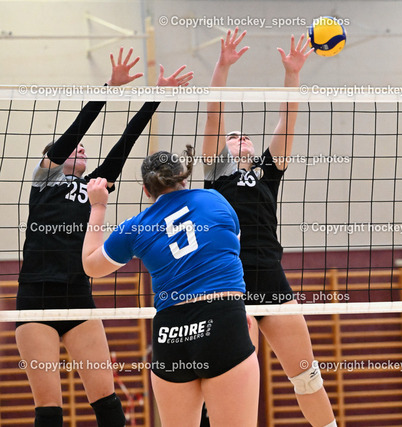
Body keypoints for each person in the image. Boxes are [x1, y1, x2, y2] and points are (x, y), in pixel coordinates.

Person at [15, 47, 193, 427]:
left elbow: (125, 144)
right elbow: (76, 129)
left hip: (78, 297)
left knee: (108, 404)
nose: (79, 148)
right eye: (67, 151)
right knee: (49, 411)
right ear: (51, 160)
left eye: (82, 150)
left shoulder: (95, 186)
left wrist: (154, 94)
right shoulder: (43, 181)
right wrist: (109, 87)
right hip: (35, 298)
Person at [201, 28, 336, 427]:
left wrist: (293, 74)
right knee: (227, 384)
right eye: (233, 137)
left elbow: (288, 118)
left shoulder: (267, 173)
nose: (239, 137)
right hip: (226, 283)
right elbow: (214, 115)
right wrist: (222, 66)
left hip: (271, 278)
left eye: (245, 136)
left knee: (308, 378)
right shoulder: (215, 173)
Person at [81, 147, 259, 427]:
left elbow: (91, 266)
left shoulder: (136, 227)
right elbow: (230, 249)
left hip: (171, 333)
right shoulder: (215, 199)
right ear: (183, 179)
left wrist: (98, 206)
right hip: (222, 322)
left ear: (145, 190)